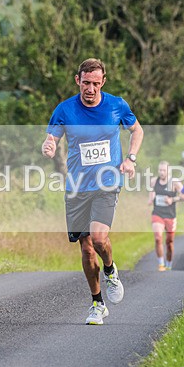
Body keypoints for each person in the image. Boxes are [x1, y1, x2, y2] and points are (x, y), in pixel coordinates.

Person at [42, 58, 144, 325]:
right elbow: (52, 136)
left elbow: (137, 130)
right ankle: (97, 303)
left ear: (103, 82)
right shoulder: (65, 110)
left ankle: (110, 271)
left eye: (96, 84)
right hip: (77, 188)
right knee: (86, 249)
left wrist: (130, 158)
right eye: (86, 83)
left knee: (99, 239)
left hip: (106, 183)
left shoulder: (116, 105)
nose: (90, 89)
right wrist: (49, 145)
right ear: (78, 80)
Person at [148, 160, 183, 271]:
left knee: (169, 242)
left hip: (170, 216)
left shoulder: (175, 183)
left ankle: (169, 263)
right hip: (157, 213)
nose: (161, 172)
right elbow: (151, 191)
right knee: (158, 238)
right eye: (160, 170)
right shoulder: (154, 181)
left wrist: (172, 199)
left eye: (164, 170)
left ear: (169, 171)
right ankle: (161, 264)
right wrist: (151, 198)